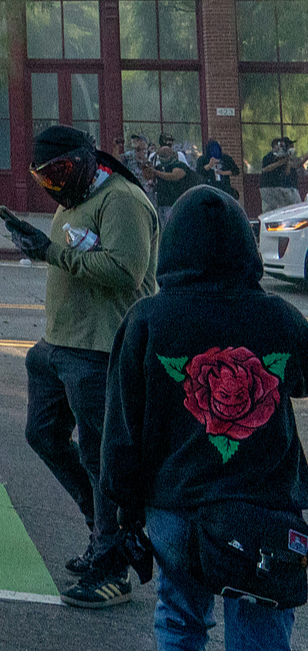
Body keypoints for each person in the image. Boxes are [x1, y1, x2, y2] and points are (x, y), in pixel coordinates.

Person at [101, 185, 308, 651]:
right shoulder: (278, 317)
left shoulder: (147, 320)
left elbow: (122, 430)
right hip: (263, 510)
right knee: (261, 627)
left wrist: (124, 506)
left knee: (180, 619)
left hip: (176, 508)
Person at [0, 124, 160, 608]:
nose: (54, 185)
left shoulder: (121, 200)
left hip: (101, 349)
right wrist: (40, 247)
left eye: (61, 172)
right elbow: (71, 257)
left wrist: (50, 252)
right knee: (43, 434)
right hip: (59, 346)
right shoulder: (74, 200)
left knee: (100, 456)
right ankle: (101, 531)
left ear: (87, 160)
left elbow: (126, 271)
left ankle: (113, 567)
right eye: (44, 178)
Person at [146, 135, 197, 218]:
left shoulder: (178, 163)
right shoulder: (156, 162)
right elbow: (149, 177)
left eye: (169, 146)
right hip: (162, 203)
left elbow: (174, 176)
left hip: (177, 202)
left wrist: (156, 172)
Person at [258, 137, 301, 215]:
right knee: (268, 210)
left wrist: (287, 161)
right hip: (268, 187)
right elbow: (265, 169)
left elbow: (287, 172)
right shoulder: (269, 157)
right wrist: (279, 163)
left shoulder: (285, 157)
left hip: (280, 187)